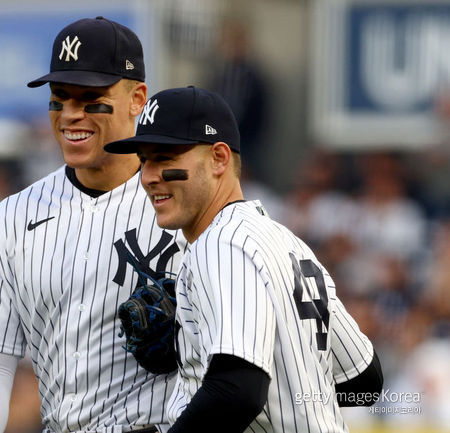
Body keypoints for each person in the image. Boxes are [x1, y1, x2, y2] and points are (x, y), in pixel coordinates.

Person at [0, 17, 186, 433]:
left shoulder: (186, 207)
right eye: (60, 99)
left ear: (138, 99)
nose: (71, 115)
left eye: (91, 98)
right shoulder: (15, 215)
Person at [104, 86, 383, 432]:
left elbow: (238, 390)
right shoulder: (289, 243)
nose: (147, 177)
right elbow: (364, 382)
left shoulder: (222, 244)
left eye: (164, 158)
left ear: (219, 158)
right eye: (143, 160)